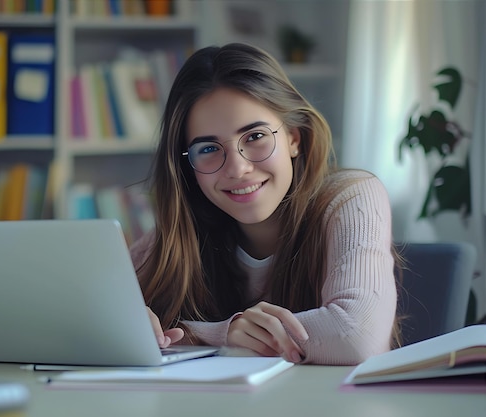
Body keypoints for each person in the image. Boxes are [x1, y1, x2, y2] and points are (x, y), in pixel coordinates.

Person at [130, 43, 399, 365]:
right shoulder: (183, 224)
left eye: (255, 137)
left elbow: (357, 335)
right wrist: (134, 326)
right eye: (207, 149)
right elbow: (88, 318)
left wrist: (202, 334)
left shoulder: (351, 197)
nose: (237, 168)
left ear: (294, 138)